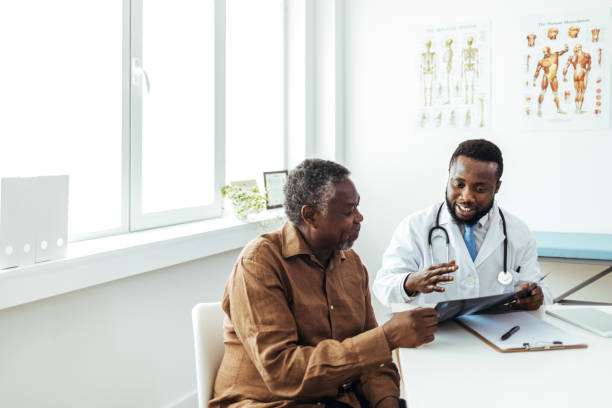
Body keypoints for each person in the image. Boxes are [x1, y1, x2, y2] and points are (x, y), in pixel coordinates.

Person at [211, 159, 438, 408]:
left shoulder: (351, 265)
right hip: (268, 402)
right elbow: (282, 373)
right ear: (310, 216)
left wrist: (386, 402)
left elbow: (374, 363)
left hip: (337, 400)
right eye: (348, 211)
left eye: (357, 207)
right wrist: (385, 338)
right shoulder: (259, 263)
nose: (359, 217)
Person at [373, 139, 553, 309]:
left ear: (497, 187)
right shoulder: (415, 226)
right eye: (459, 184)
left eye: (480, 189)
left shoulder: (518, 232)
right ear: (449, 177)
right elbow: (383, 287)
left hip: (496, 336)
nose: (466, 197)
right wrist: (410, 282)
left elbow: (540, 290)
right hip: (435, 337)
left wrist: (537, 297)